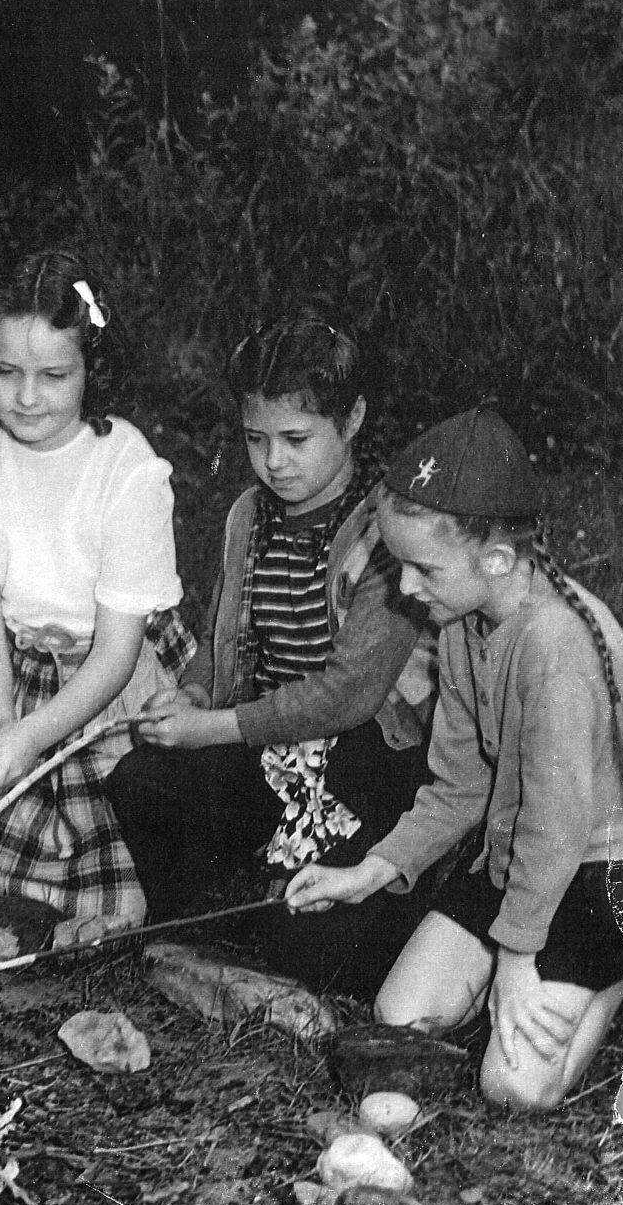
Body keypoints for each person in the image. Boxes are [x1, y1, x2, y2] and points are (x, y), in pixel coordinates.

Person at [288, 408, 623, 1109]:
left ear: (497, 560)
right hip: (521, 856)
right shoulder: (462, 621)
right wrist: (373, 869)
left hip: (603, 869)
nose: (406, 589)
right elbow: (459, 787)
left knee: (514, 1087)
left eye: (423, 569)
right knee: (400, 1014)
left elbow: (559, 825)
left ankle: (611, 974)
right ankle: (540, 978)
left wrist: (518, 956)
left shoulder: (556, 645)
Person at [105, 314, 435, 992]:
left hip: (365, 753)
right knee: (140, 780)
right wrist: (196, 692)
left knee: (313, 950)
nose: (273, 461)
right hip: (269, 740)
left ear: (352, 421)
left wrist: (212, 728)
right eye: (256, 439)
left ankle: (309, 904)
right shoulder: (248, 517)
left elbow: (349, 695)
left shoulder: (386, 531)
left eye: (295, 439)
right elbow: (222, 636)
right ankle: (204, 915)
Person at [0, 250, 192, 943]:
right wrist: (7, 729)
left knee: (115, 896)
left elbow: (116, 653)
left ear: (91, 371)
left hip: (108, 682)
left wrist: (35, 735)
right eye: (6, 372)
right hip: (15, 677)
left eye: (54, 376)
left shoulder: (126, 467)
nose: (26, 397)